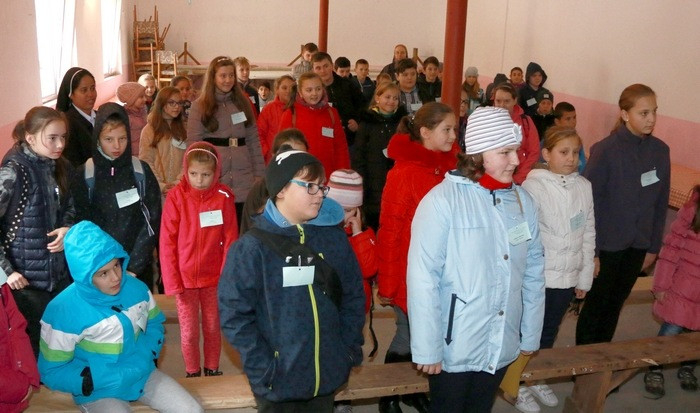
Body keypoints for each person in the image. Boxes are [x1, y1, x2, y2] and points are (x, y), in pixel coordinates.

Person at [408, 106, 545, 413]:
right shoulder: (442, 201)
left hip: (502, 339)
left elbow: (534, 269)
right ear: (478, 155)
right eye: (505, 152)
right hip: (454, 343)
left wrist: (530, 331)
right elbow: (423, 277)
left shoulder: (522, 202)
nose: (516, 160)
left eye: (516, 150)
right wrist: (427, 347)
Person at [218, 149, 365, 412]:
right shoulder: (251, 249)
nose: (319, 194)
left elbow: (353, 296)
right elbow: (234, 315)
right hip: (278, 382)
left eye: (321, 186)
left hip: (326, 376)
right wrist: (264, 367)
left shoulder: (333, 239)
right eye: (309, 186)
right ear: (281, 189)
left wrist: (347, 350)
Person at [38, 221, 203, 413]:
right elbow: (52, 369)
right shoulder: (62, 310)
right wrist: (87, 381)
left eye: (116, 265)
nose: (116, 277)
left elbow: (154, 324)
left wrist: (148, 353)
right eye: (103, 273)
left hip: (142, 374)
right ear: (84, 277)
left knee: (192, 410)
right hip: (99, 390)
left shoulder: (137, 288)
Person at [377, 102, 459, 413]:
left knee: (430, 337)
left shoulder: (452, 171)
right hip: (410, 272)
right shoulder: (404, 173)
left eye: (454, 129)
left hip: (445, 271)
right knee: (407, 335)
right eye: (446, 129)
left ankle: (412, 391)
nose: (453, 136)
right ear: (425, 132)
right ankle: (388, 396)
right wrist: (388, 284)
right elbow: (390, 231)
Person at [576, 84, 670, 346]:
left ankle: (602, 361)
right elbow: (589, 203)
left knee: (615, 305)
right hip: (607, 246)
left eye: (654, 112)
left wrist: (653, 247)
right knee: (596, 306)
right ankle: (584, 363)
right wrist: (592, 252)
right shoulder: (606, 150)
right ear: (625, 114)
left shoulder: (660, 151)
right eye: (644, 113)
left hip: (638, 245)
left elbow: (660, 203)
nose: (651, 119)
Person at [518, 126, 595, 412]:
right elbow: (524, 235)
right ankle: (516, 382)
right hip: (539, 276)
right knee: (527, 331)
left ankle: (535, 377)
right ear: (546, 154)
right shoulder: (533, 187)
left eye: (575, 152)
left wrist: (583, 277)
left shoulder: (584, 187)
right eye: (564, 152)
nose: (571, 158)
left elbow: (588, 233)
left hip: (567, 276)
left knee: (549, 330)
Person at [1, 106, 74, 357]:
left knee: (62, 344)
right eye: (52, 138)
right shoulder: (13, 171)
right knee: (34, 350)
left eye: (63, 137)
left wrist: (67, 229)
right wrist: (6, 272)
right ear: (30, 138)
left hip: (59, 276)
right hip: (25, 283)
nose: (60, 144)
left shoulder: (59, 165)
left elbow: (70, 207)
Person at [160, 142, 238, 378]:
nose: (199, 180)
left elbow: (231, 239)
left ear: (216, 173)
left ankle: (212, 367)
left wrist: (227, 277)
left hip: (214, 278)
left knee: (213, 326)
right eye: (193, 174)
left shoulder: (224, 197)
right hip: (185, 280)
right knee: (189, 331)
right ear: (186, 170)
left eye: (206, 175)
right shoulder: (176, 197)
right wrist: (172, 280)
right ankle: (192, 371)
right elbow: (167, 241)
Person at [72, 102, 162, 291]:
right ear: (97, 139)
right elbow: (82, 225)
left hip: (137, 268)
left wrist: (134, 267)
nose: (116, 146)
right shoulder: (85, 174)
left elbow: (152, 220)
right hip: (100, 269)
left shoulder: (140, 171)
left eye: (122, 138)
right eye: (109, 139)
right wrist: (102, 267)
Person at [187, 56, 265, 223]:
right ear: (213, 77)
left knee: (243, 225)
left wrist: (259, 174)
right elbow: (193, 147)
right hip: (215, 176)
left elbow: (253, 141)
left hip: (244, 177)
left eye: (231, 75)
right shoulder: (199, 106)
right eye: (223, 76)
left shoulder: (243, 103)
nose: (228, 80)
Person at [645, 185, 700, 397]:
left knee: (695, 335)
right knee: (671, 330)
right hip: (682, 287)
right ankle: (655, 367)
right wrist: (661, 284)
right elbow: (671, 250)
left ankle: (687, 367)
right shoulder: (691, 210)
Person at [352, 81, 407, 230]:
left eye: (395, 98)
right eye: (387, 97)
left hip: (396, 177)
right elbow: (359, 153)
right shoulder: (367, 122)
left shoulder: (402, 123)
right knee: (374, 220)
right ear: (378, 98)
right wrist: (361, 178)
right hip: (372, 178)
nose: (391, 101)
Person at [278, 72, 350, 179]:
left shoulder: (332, 113)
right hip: (300, 176)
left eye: (318, 89)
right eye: (309, 90)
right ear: (300, 92)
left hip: (328, 176)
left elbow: (341, 147)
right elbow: (282, 148)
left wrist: (343, 173)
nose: (314, 93)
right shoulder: (290, 114)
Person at [239, 129, 309, 236]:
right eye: (287, 156)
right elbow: (248, 230)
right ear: (274, 156)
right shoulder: (260, 189)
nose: (293, 163)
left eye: (300, 157)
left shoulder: (313, 190)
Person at [139, 86, 188, 196]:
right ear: (162, 103)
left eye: (179, 103)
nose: (177, 107)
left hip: (180, 189)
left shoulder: (184, 129)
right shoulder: (149, 130)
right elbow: (146, 161)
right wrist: (161, 185)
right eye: (171, 103)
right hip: (157, 188)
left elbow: (188, 160)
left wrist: (178, 182)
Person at [0, 279, 40, 412]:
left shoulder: (2, 286)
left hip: (12, 394)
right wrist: (18, 387)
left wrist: (27, 374)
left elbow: (16, 327)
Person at [312, 52, 365, 148]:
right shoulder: (311, 91)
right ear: (313, 70)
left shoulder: (348, 85)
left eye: (326, 66)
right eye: (318, 68)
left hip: (348, 139)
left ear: (332, 66)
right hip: (322, 140)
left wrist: (357, 121)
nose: (323, 71)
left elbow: (363, 105)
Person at [493, 83, 540, 184]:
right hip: (492, 177)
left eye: (507, 101)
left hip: (520, 178)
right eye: (498, 101)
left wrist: (518, 178)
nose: (502, 105)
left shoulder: (526, 121)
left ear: (515, 101)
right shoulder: (487, 122)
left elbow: (534, 152)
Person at [56, 67, 97, 167]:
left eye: (92, 88)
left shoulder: (102, 116)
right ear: (71, 94)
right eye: (84, 90)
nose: (90, 94)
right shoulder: (67, 125)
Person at [257, 75, 296, 163]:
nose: (288, 91)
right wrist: (267, 152)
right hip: (272, 159)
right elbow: (259, 133)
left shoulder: (300, 110)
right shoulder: (268, 109)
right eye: (284, 88)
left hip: (295, 158)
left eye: (292, 88)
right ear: (277, 90)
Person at [553, 102, 586, 173]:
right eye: (568, 119)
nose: (573, 122)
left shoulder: (576, 140)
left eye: (574, 117)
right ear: (557, 122)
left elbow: (583, 164)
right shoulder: (550, 141)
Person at [117, 82, 148, 157]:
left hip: (145, 150)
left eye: (145, 96)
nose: (145, 99)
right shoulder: (127, 117)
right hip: (134, 154)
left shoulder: (143, 110)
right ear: (131, 100)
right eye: (141, 97)